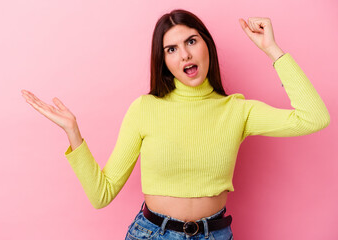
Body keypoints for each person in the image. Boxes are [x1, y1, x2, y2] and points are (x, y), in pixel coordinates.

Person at [21, 9, 330, 240]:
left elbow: (314, 117)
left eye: (191, 41)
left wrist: (272, 50)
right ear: (164, 60)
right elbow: (101, 194)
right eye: (171, 49)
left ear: (206, 45)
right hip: (152, 233)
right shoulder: (145, 108)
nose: (184, 54)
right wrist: (73, 132)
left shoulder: (238, 110)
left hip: (216, 234)